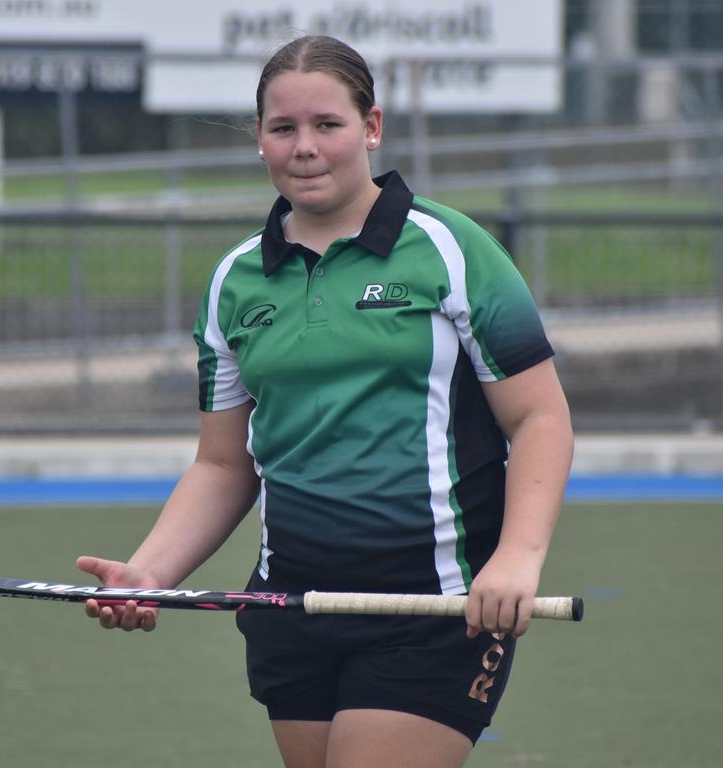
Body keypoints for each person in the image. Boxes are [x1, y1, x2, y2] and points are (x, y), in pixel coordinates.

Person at [76, 34, 573, 768]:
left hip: (434, 609)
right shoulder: (234, 282)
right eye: (284, 129)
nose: (304, 147)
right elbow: (222, 465)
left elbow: (540, 417)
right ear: (260, 139)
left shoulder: (450, 249)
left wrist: (518, 557)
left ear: (370, 127)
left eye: (327, 125)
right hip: (293, 610)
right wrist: (151, 572)